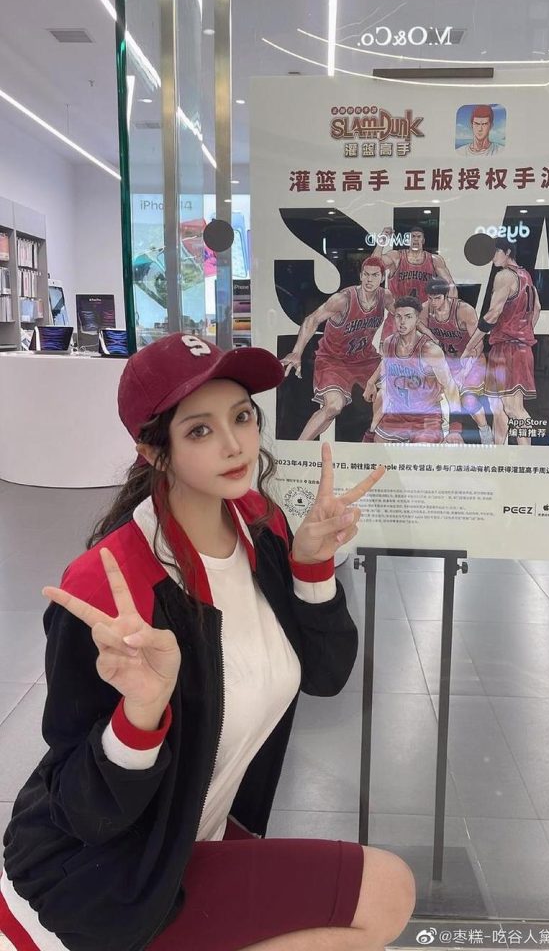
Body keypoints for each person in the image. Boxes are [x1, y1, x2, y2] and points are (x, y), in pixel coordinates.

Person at [0, 333, 415, 951]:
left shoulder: (260, 525)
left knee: (379, 899)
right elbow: (82, 809)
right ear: (154, 451)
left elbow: (326, 675)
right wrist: (141, 714)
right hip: (104, 876)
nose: (234, 444)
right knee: (384, 891)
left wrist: (310, 566)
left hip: (192, 839)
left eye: (242, 417)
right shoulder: (111, 585)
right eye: (200, 430)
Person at [281, 257, 396, 441]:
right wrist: (297, 351)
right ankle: (298, 448)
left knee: (397, 389)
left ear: (382, 278)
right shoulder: (343, 299)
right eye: (366, 274)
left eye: (375, 275)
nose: (369, 279)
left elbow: (403, 314)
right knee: (333, 406)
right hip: (334, 360)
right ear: (360, 276)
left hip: (365, 358)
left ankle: (375, 440)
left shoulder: (385, 296)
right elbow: (312, 319)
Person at [462, 239, 540, 445]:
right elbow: (537, 308)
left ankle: (526, 456)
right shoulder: (525, 275)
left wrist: (470, 346)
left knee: (514, 409)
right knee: (497, 407)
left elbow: (493, 314)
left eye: (495, 252)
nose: (491, 257)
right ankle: (499, 454)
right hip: (512, 346)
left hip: (509, 347)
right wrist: (524, 332)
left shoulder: (504, 275)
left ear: (507, 252)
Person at [363, 297, 464, 444]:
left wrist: (455, 429)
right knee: (378, 449)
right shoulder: (389, 343)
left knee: (420, 453)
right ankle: (372, 432)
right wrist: (371, 382)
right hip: (397, 414)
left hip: (426, 417)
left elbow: (450, 387)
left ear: (417, 320)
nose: (402, 322)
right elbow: (386, 363)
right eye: (398, 316)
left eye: (408, 317)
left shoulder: (430, 350)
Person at [421, 278, 494, 445]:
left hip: (471, 361)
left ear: (446, 295)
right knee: (435, 396)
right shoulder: (425, 309)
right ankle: (447, 435)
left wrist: (463, 372)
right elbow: (418, 327)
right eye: (430, 298)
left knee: (468, 400)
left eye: (437, 298)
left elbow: (478, 345)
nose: (433, 302)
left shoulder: (464, 311)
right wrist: (430, 335)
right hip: (446, 362)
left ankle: (485, 430)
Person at [374, 227, 457, 344]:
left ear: (423, 240)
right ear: (408, 239)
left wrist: (448, 315)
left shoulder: (434, 260)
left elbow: (451, 287)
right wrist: (382, 239)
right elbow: (373, 265)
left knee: (426, 354)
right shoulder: (397, 257)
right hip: (397, 318)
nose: (416, 239)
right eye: (413, 236)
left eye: (419, 236)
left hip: (423, 318)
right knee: (390, 354)